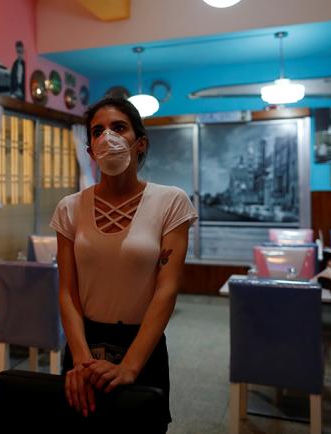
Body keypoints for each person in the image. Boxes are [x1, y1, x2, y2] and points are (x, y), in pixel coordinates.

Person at [50, 97, 197, 432]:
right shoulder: (69, 208)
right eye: (97, 131)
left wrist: (130, 366)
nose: (107, 137)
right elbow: (67, 293)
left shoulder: (171, 202)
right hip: (84, 344)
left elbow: (167, 289)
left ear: (139, 142)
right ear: (90, 151)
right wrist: (82, 361)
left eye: (118, 127)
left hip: (142, 346)